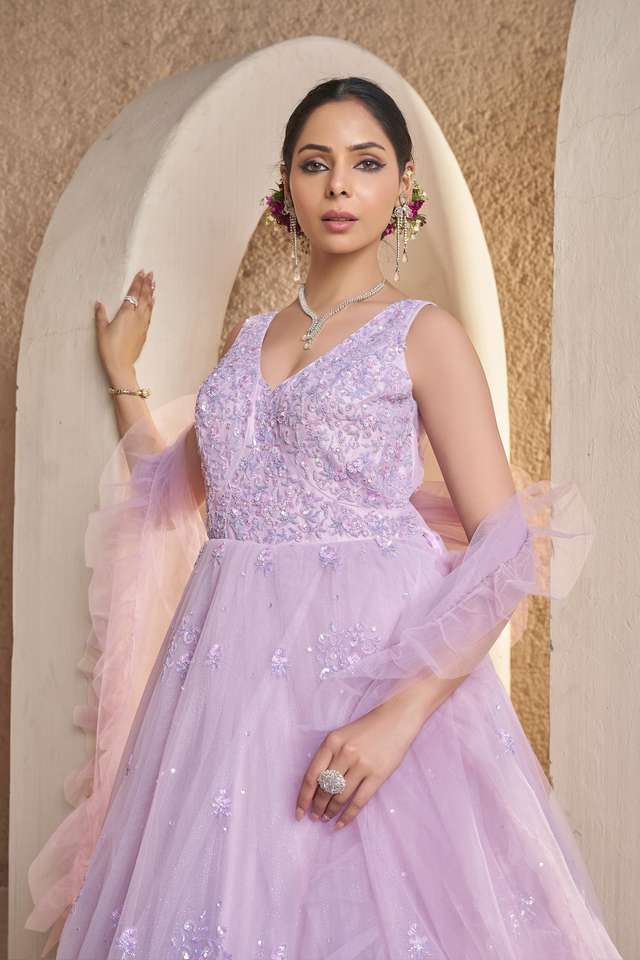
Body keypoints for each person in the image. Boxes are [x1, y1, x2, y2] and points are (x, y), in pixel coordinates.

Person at [26, 77, 622, 959]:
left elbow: (504, 545)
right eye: (316, 164)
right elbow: (169, 488)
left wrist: (399, 716)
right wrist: (124, 374)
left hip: (369, 679)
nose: (339, 184)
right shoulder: (246, 344)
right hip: (223, 690)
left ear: (402, 186)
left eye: (365, 163)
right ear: (287, 188)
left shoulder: (422, 334)